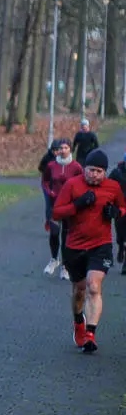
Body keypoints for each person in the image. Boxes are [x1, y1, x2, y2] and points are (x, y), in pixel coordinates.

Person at [51, 149, 126, 353]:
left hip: (100, 245)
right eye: (91, 170)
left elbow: (123, 207)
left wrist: (115, 212)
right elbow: (56, 212)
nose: (94, 175)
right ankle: (78, 322)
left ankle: (90, 335)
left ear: (104, 172)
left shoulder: (113, 187)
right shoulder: (72, 185)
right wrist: (78, 204)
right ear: (84, 169)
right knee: (79, 291)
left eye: (99, 171)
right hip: (74, 247)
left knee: (94, 286)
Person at [40, 138, 82, 278]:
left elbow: (82, 183)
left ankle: (65, 266)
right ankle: (53, 260)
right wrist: (49, 192)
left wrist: (76, 197)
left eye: (65, 147)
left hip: (69, 206)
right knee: (54, 232)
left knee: (66, 236)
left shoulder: (76, 167)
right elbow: (45, 180)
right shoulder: (51, 165)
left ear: (70, 149)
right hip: (54, 205)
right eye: (61, 148)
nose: (63, 150)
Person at [109, 152, 126, 274]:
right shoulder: (116, 173)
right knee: (120, 235)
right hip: (120, 208)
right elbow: (106, 186)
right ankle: (121, 247)